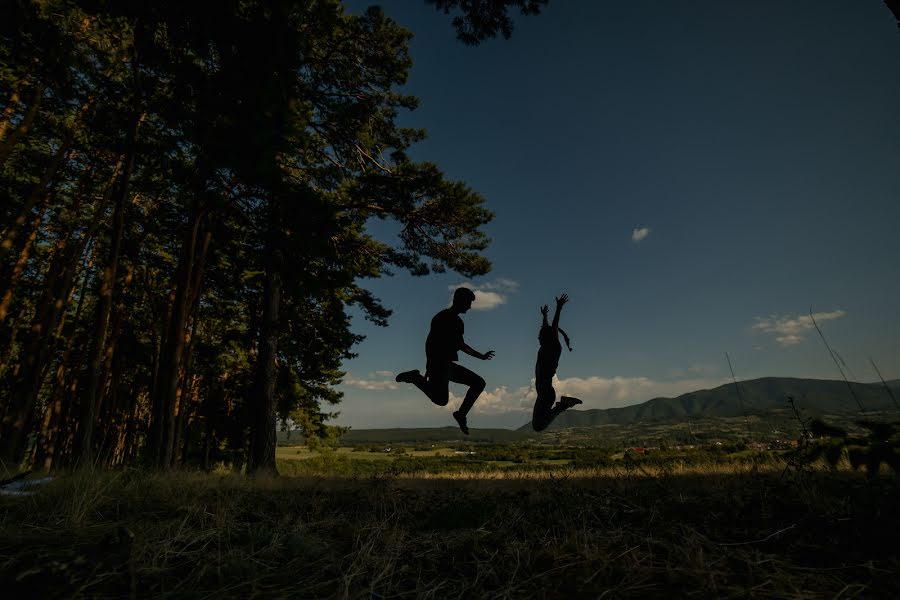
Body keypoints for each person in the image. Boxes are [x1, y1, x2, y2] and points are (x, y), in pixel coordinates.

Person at [395, 287, 495, 434]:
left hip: (448, 365)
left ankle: (461, 414)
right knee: (441, 400)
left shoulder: (459, 322)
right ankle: (415, 378)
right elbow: (430, 343)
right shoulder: (441, 317)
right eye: (468, 303)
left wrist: (481, 356)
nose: (470, 306)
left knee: (479, 383)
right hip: (438, 365)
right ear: (460, 301)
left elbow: (461, 346)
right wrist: (429, 366)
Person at [531, 293, 582, 431]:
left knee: (538, 426)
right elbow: (547, 328)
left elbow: (553, 328)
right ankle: (563, 405)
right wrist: (544, 316)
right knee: (538, 425)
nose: (538, 339)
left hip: (546, 393)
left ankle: (564, 405)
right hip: (543, 393)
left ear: (547, 337)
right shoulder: (546, 345)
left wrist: (559, 308)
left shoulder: (552, 347)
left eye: (540, 336)